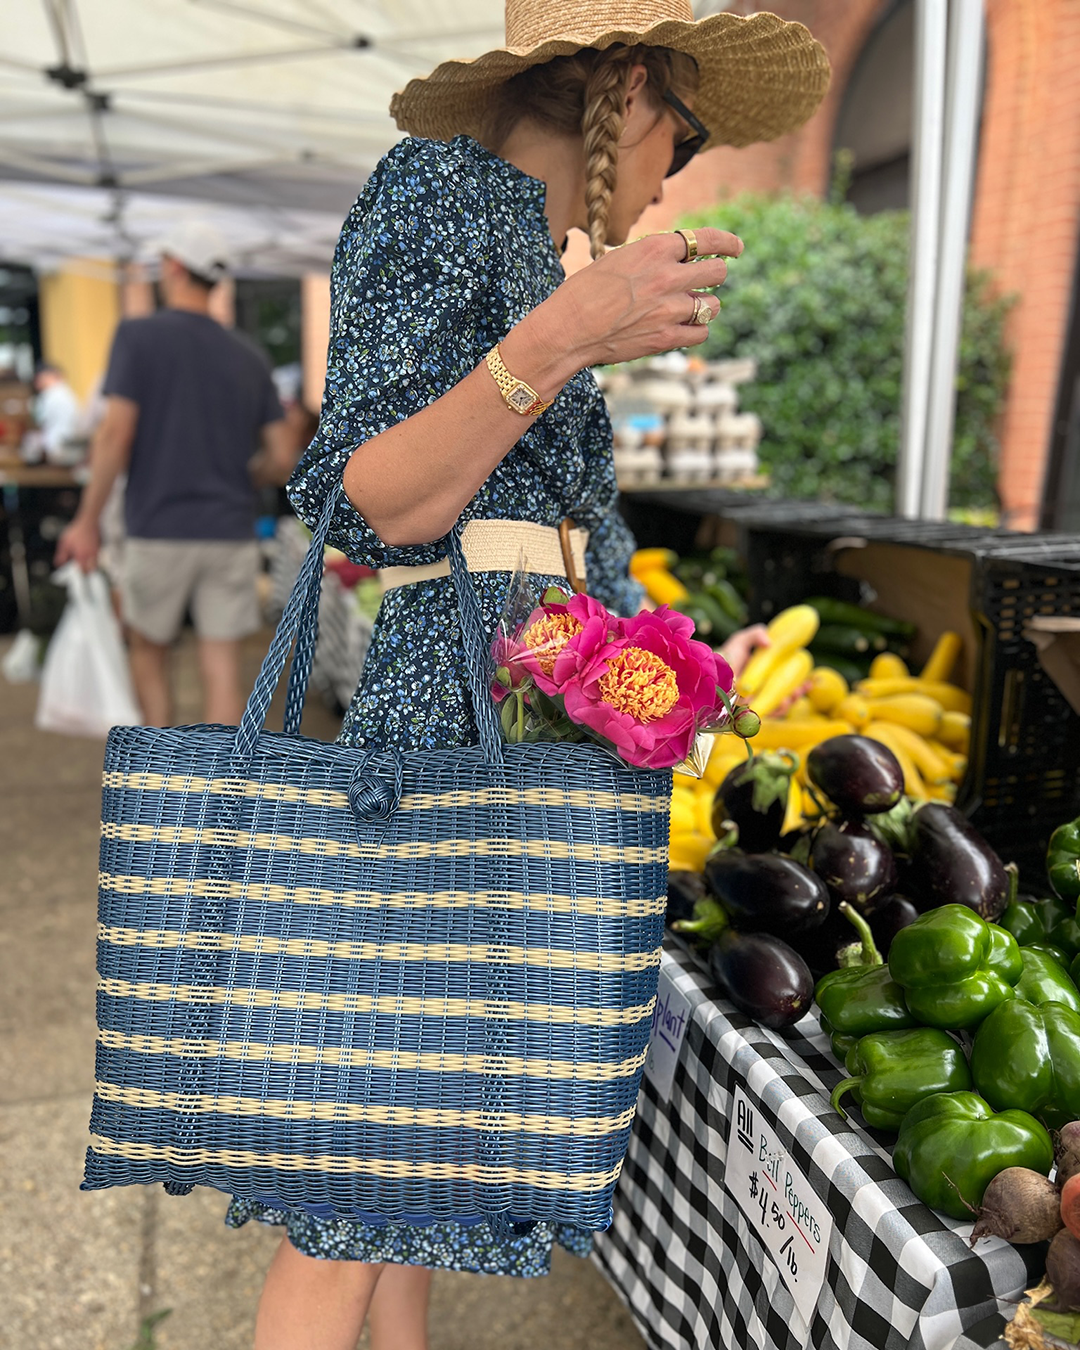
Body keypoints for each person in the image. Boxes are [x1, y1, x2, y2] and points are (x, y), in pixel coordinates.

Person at [224, 4, 829, 1347]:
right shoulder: (439, 190)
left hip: (521, 710)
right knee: (351, 1176)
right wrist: (565, 332)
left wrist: (667, 660)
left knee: (416, 1152)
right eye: (688, 123)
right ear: (628, 84)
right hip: (449, 715)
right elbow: (381, 495)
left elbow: (560, 535)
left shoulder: (527, 240)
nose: (682, 166)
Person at [54, 220, 297, 726]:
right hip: (229, 529)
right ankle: (216, 794)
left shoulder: (138, 337)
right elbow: (281, 454)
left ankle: (156, 785)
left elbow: (115, 434)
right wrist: (245, 479)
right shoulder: (249, 355)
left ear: (173, 267)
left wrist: (86, 520)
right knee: (222, 666)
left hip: (156, 526)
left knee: (149, 651)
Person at [23, 361, 83, 465]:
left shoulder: (49, 394)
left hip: (56, 447)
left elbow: (37, 419)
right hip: (70, 444)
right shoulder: (67, 392)